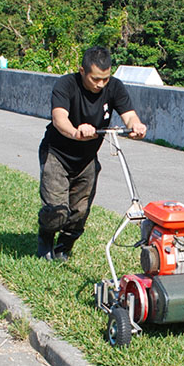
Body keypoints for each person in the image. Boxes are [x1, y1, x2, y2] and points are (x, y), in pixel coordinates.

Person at [37, 46, 147, 260]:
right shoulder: (66, 85)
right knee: (57, 211)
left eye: (105, 79)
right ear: (82, 71)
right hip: (57, 154)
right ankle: (45, 238)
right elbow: (59, 119)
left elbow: (129, 115)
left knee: (80, 212)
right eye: (95, 79)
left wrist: (136, 125)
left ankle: (63, 249)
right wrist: (76, 132)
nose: (100, 84)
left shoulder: (114, 87)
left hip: (86, 159)